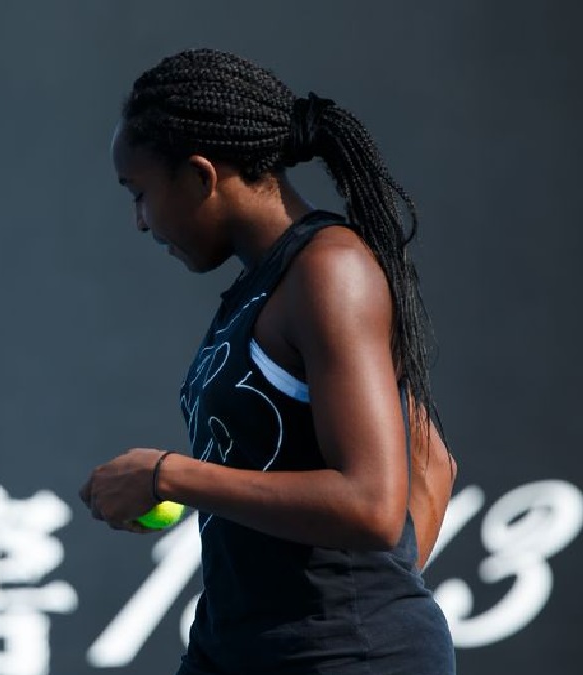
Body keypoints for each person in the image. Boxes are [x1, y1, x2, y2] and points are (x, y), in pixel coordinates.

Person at [79, 49, 459, 674]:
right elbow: (429, 458)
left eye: (140, 194)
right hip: (239, 650)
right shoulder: (270, 281)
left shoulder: (330, 271)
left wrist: (168, 476)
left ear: (201, 175)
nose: (139, 222)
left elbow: (374, 503)